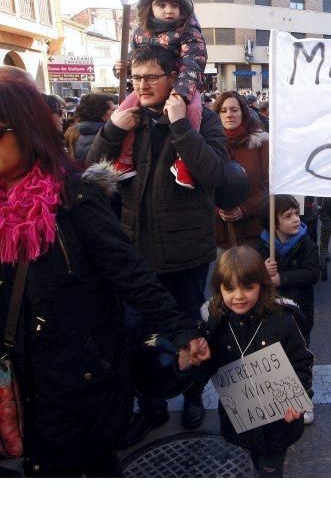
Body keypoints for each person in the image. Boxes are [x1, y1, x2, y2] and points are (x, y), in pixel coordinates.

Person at [0, 65, 208, 476]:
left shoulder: (75, 197)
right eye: (138, 77)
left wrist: (183, 332)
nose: (144, 85)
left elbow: (129, 273)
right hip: (20, 381)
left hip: (78, 383)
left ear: (25, 130)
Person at [86, 44, 227, 448]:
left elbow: (214, 174)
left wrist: (181, 126)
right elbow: (91, 179)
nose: (142, 85)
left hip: (185, 258)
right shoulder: (127, 122)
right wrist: (113, 130)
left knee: (189, 332)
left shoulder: (202, 120)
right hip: (136, 257)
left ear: (172, 80)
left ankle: (193, 397)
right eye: (136, 78)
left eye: (151, 77)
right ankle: (150, 406)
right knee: (138, 336)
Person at [183, 246, 313, 477]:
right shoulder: (215, 323)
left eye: (248, 287)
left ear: (262, 286)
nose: (239, 295)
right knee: (254, 456)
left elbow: (301, 361)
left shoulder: (283, 320)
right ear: (219, 288)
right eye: (229, 288)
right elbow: (205, 369)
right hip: (241, 418)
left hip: (278, 421)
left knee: (270, 469)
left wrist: (298, 396)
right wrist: (190, 362)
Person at [112, 0, 207, 189]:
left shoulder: (188, 32)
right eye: (162, 5)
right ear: (150, 7)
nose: (169, 10)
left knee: (192, 110)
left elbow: (194, 63)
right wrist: (124, 68)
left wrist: (181, 95)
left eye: (174, 5)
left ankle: (184, 160)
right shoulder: (140, 33)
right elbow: (135, 60)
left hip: (184, 83)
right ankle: (125, 160)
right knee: (123, 112)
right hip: (150, 87)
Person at [262, 195, 320, 424]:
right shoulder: (263, 246)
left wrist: (281, 278)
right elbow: (252, 279)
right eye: (288, 216)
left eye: (296, 213)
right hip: (272, 315)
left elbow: (312, 273)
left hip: (299, 314)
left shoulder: (306, 242)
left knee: (300, 358)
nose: (296, 219)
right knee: (276, 358)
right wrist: (262, 270)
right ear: (272, 222)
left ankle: (304, 399)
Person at [211, 91, 269, 252]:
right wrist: (220, 210)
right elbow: (202, 188)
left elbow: (269, 188)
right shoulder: (208, 145)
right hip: (221, 236)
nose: (229, 115)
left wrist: (243, 210)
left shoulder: (261, 144)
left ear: (243, 112)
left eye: (234, 110)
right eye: (223, 110)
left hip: (254, 234)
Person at [70, 94, 117, 163]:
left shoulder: (86, 133)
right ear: (102, 114)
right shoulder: (105, 136)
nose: (117, 111)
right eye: (113, 109)